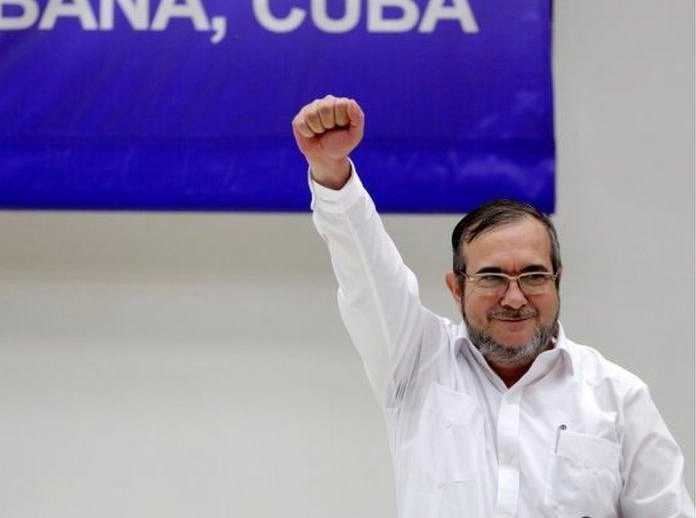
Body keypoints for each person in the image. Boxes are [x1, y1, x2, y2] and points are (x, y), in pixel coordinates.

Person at [292, 95, 695, 517]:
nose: (515, 298)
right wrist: (332, 172)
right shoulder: (416, 362)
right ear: (455, 287)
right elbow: (367, 271)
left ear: (558, 280)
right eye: (492, 277)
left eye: (534, 276)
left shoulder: (618, 398)